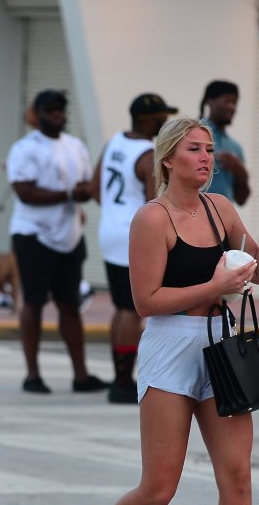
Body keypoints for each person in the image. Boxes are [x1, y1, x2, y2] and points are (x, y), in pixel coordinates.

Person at [116, 118, 259, 504]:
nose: (205, 158)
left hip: (223, 345)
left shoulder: (220, 208)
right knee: (159, 488)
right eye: (194, 149)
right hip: (170, 346)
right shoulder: (152, 218)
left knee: (238, 480)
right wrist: (215, 288)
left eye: (209, 150)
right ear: (167, 159)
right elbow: (145, 301)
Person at [6, 89, 107, 394]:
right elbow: (24, 192)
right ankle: (32, 375)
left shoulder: (75, 146)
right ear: (37, 114)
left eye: (61, 110)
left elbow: (87, 185)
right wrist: (67, 195)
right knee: (34, 303)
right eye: (51, 110)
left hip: (69, 235)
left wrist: (85, 192)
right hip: (33, 234)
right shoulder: (24, 148)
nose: (57, 116)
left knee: (70, 305)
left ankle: (81, 375)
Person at [90, 93, 177, 404]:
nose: (164, 122)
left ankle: (120, 376)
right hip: (131, 233)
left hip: (109, 230)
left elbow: (94, 184)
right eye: (161, 117)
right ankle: (123, 381)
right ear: (146, 120)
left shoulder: (115, 142)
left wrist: (115, 213)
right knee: (130, 309)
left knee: (121, 307)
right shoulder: (146, 154)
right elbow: (156, 201)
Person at [199, 80, 250, 205]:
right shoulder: (193, 136)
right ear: (210, 101)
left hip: (223, 220)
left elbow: (241, 200)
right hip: (193, 217)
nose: (232, 107)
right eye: (227, 101)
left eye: (234, 102)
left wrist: (241, 173)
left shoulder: (235, 147)